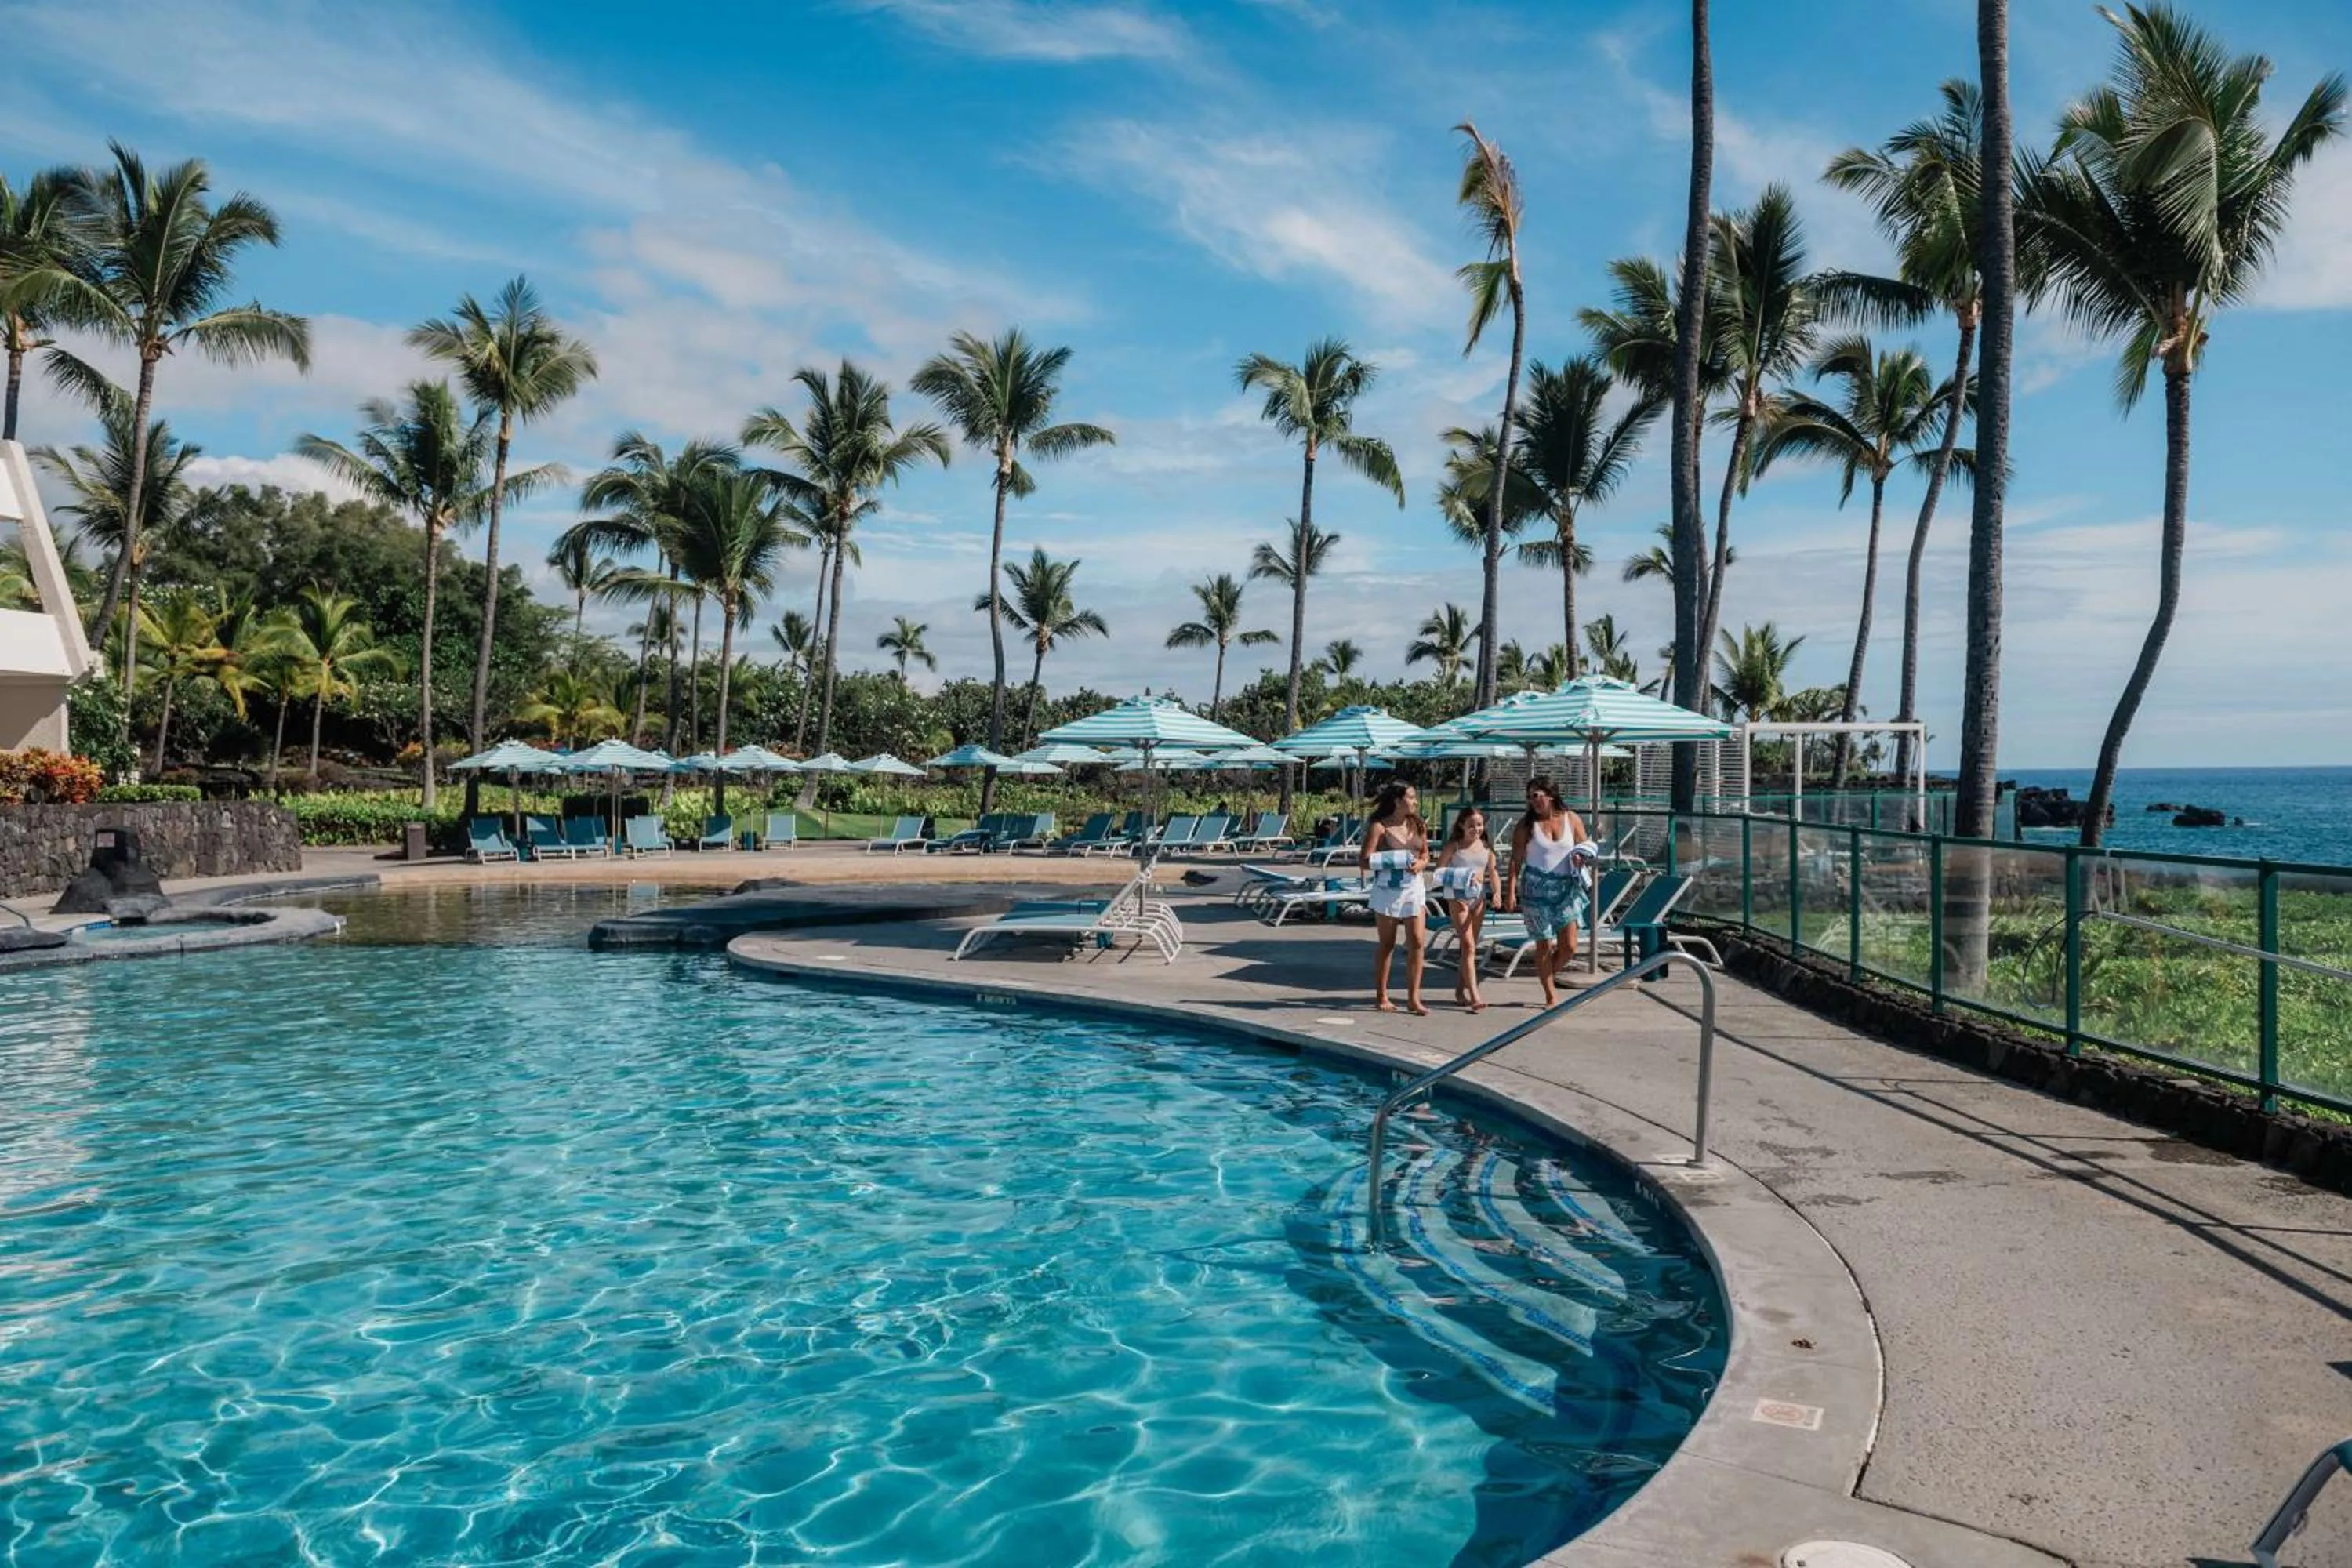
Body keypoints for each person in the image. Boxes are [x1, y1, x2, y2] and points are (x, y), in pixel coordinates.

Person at [1506, 776, 1592, 1007]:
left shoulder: (1571, 819)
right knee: (1544, 944)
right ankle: (1550, 994)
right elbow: (1515, 860)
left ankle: (1547, 975)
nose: (1532, 800)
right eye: (1530, 796)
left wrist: (1581, 856)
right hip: (1536, 889)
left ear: (1550, 795)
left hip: (1566, 889)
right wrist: (1510, 890)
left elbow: (1587, 846)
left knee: (1570, 946)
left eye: (1537, 795)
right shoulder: (1526, 826)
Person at [1359, 779, 1431, 1015]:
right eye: (1412, 797)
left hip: (1414, 888)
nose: (1415, 802)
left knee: (1418, 941)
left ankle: (1414, 998)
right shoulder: (1379, 827)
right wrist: (1396, 860)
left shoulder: (1418, 824)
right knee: (1387, 943)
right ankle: (1382, 995)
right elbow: (1364, 860)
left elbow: (1425, 855)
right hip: (1387, 890)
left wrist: (1420, 864)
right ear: (1398, 801)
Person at [1435, 806, 1501, 1013]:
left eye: (1479, 825)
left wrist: (1497, 893)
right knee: (1469, 946)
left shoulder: (1486, 848)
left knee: (1468, 949)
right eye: (1471, 825)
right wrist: (1462, 876)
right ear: (1462, 825)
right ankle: (1475, 995)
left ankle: (1459, 991)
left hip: (1478, 899)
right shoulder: (1454, 847)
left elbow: (1493, 871)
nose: (1476, 829)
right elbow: (1438, 872)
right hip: (1458, 898)